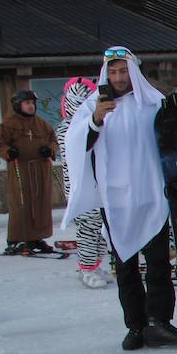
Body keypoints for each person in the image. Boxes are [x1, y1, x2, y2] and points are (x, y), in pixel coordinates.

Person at [62, 47, 177, 350]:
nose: (119, 77)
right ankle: (135, 325)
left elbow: (176, 139)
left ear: (133, 72)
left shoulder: (153, 102)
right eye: (114, 72)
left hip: (151, 194)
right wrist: (95, 120)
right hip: (116, 198)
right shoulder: (95, 106)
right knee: (125, 264)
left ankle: (159, 322)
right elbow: (77, 144)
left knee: (158, 262)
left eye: (123, 71)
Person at [56, 78, 111, 286]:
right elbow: (78, 149)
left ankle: (95, 264)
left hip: (97, 184)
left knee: (100, 225)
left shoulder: (93, 122)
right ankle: (86, 268)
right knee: (88, 226)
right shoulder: (66, 128)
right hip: (80, 185)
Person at [0, 89, 57, 255]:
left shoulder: (42, 124)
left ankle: (36, 237)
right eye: (27, 103)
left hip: (41, 168)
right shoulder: (8, 125)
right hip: (21, 167)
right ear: (18, 105)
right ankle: (17, 238)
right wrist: (9, 151)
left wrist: (49, 149)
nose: (31, 106)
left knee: (40, 204)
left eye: (32, 103)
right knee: (22, 203)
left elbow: (53, 140)